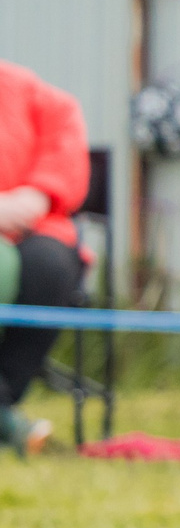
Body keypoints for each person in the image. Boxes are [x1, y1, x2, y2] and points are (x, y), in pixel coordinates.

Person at [0, 61, 90, 456]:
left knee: (49, 268)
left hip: (38, 229)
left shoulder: (32, 92)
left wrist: (37, 195)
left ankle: (5, 402)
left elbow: (64, 147)